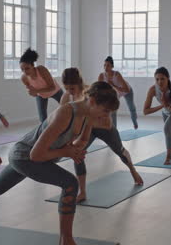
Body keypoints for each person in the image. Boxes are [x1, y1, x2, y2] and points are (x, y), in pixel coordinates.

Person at [0, 82, 120, 245]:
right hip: (25, 157)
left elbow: (83, 139)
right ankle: (66, 240)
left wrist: (76, 149)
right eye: (105, 110)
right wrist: (65, 151)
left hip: (31, 157)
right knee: (70, 183)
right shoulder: (66, 113)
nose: (106, 116)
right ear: (91, 101)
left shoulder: (88, 115)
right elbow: (36, 155)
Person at [61, 68, 143, 202]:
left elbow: (106, 121)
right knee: (77, 155)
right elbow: (66, 120)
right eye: (67, 88)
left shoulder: (93, 93)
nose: (69, 91)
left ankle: (133, 170)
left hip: (104, 128)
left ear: (79, 83)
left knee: (119, 151)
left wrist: (86, 124)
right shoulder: (66, 98)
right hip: (87, 128)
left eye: (72, 88)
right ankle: (82, 192)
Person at [143, 67, 171, 165]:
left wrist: (168, 107)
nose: (160, 82)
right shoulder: (152, 89)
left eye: (162, 79)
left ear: (168, 78)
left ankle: (168, 157)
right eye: (157, 79)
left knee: (167, 127)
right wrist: (162, 106)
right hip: (165, 111)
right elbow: (145, 111)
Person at [20, 48, 63, 122]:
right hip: (41, 95)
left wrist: (36, 91)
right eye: (22, 69)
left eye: (27, 68)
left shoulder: (41, 70)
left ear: (33, 66)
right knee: (42, 119)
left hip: (55, 91)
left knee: (68, 106)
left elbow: (52, 87)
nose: (25, 72)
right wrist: (32, 93)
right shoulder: (24, 78)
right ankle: (45, 131)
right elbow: (34, 94)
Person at [99, 56, 138, 129]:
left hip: (126, 91)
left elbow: (126, 89)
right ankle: (114, 130)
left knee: (131, 107)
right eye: (104, 65)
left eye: (108, 65)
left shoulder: (117, 75)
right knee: (113, 110)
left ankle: (135, 122)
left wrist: (113, 85)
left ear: (112, 66)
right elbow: (99, 89)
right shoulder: (101, 76)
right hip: (115, 94)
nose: (105, 67)